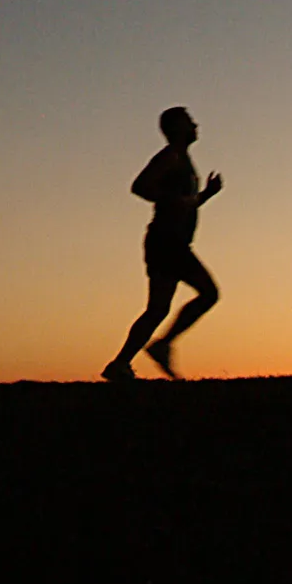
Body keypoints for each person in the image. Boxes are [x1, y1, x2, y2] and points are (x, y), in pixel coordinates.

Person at [101, 106, 222, 381]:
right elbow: (140, 186)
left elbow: (184, 204)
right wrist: (175, 200)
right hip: (168, 242)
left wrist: (206, 195)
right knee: (208, 294)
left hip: (169, 242)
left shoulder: (182, 159)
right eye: (190, 122)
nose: (196, 125)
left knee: (158, 308)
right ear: (177, 128)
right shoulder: (170, 157)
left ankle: (120, 364)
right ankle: (161, 345)